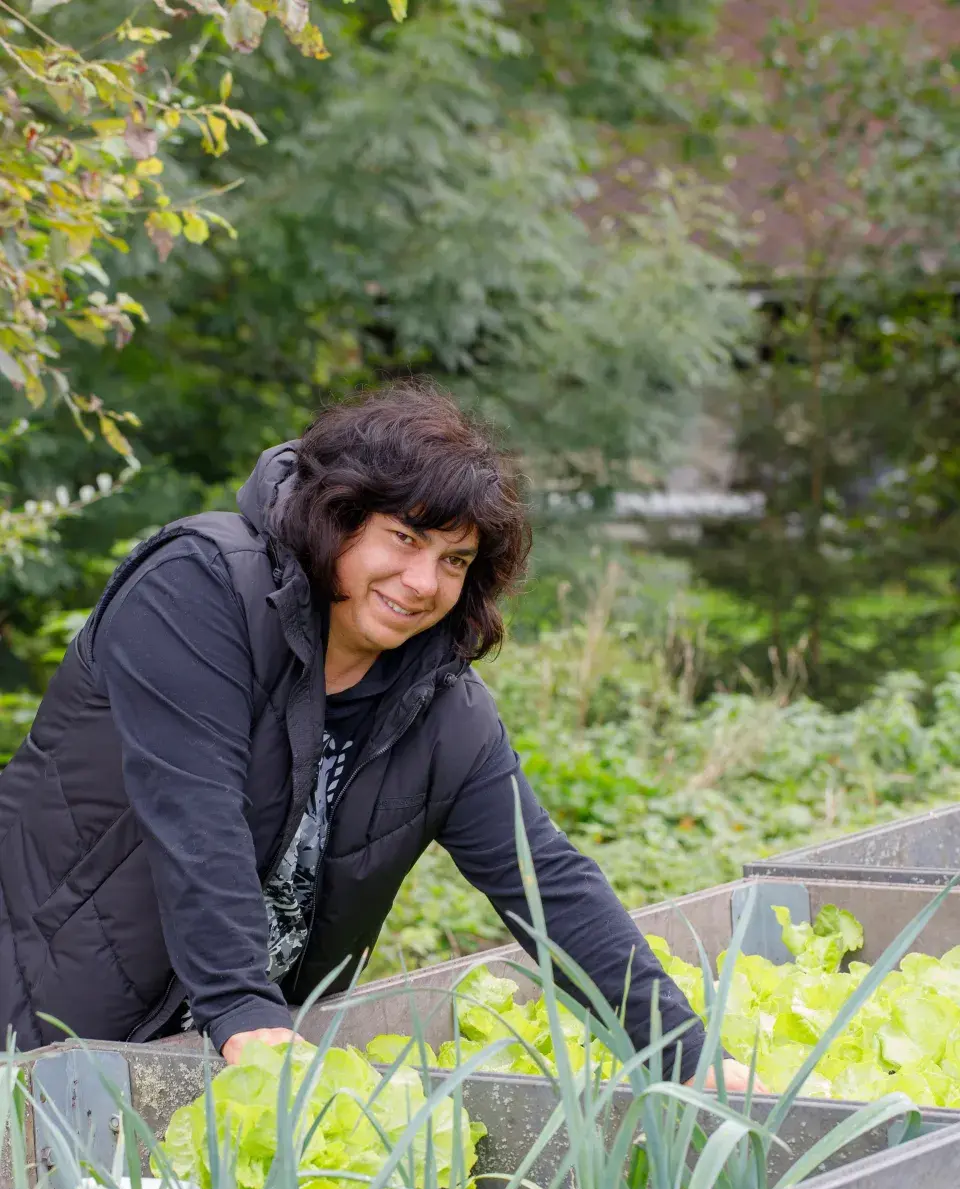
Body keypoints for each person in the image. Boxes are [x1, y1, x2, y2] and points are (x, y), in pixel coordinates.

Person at [0, 383, 750, 1090]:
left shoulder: (439, 707)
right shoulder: (200, 589)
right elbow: (195, 811)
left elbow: (545, 879)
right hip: (45, 1024)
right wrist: (244, 1011)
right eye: (403, 538)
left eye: (454, 561)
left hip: (215, 1059)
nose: (424, 581)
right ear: (337, 519)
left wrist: (681, 1051)